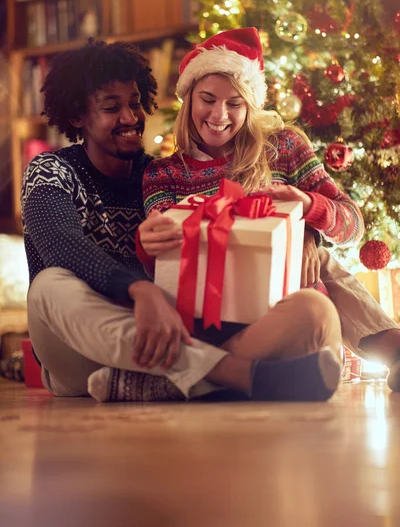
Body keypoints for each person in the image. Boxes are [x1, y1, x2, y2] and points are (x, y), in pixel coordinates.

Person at [21, 38, 343, 404]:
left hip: (159, 341)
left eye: (135, 103)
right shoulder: (52, 171)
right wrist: (140, 290)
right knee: (49, 284)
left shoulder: (155, 173)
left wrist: (306, 233)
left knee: (313, 295)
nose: (130, 117)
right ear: (78, 115)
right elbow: (62, 248)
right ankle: (231, 373)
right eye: (112, 108)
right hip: (81, 346)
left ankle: (174, 383)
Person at [137, 27, 400, 392]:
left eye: (234, 104)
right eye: (208, 99)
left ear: (250, 106)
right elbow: (162, 265)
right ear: (188, 99)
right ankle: (388, 347)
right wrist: (149, 238)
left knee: (318, 257)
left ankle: (388, 348)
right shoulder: (163, 173)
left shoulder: (284, 146)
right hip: (220, 330)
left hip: (293, 315)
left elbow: (352, 225)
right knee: (317, 260)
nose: (219, 115)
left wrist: (307, 211)